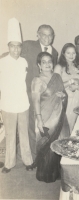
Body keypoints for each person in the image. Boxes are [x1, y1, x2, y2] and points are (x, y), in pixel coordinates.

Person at [0, 18, 33, 173]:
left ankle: (28, 160)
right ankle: (9, 163)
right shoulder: (2, 62)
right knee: (10, 135)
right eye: (13, 46)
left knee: (24, 133)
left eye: (18, 46)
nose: (16, 50)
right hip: (7, 104)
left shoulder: (24, 62)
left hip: (23, 103)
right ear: (8, 46)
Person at [21, 24, 58, 160]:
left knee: (45, 125)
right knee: (32, 124)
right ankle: (33, 156)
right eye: (44, 34)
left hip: (46, 94)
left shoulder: (54, 52)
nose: (47, 38)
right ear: (38, 34)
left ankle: (44, 155)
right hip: (30, 91)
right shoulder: (28, 46)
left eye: (50, 35)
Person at [32, 52, 69, 182]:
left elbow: (63, 93)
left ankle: (56, 172)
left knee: (60, 142)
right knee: (47, 145)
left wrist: (63, 96)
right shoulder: (37, 80)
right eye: (44, 62)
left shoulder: (57, 77)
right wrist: (39, 120)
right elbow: (36, 101)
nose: (47, 64)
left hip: (59, 115)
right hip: (45, 116)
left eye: (49, 61)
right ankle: (46, 174)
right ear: (39, 65)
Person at [54, 43, 79, 133]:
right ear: (63, 53)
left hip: (78, 101)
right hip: (65, 102)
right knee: (65, 129)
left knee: (77, 128)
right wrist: (70, 83)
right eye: (68, 53)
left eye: (73, 53)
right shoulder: (59, 67)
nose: (71, 56)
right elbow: (55, 86)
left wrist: (78, 86)